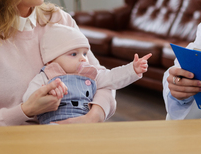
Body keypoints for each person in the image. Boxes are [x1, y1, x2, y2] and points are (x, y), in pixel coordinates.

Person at [22, 23, 151, 124]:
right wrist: (48, 92)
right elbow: (29, 99)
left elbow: (112, 78)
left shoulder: (91, 74)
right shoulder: (46, 76)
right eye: (73, 54)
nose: (83, 58)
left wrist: (132, 69)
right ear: (52, 59)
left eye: (84, 53)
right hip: (53, 125)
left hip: (85, 124)